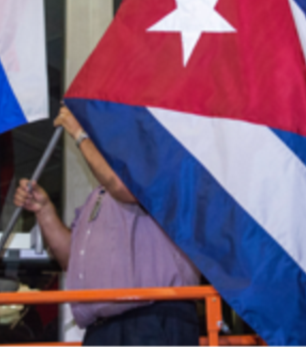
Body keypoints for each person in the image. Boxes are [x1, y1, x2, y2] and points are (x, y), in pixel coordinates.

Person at [14, 105, 201, 347]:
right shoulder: (98, 197)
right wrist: (44, 210)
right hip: (105, 328)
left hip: (152, 319)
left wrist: (80, 134)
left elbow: (122, 187)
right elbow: (72, 259)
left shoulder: (161, 168)